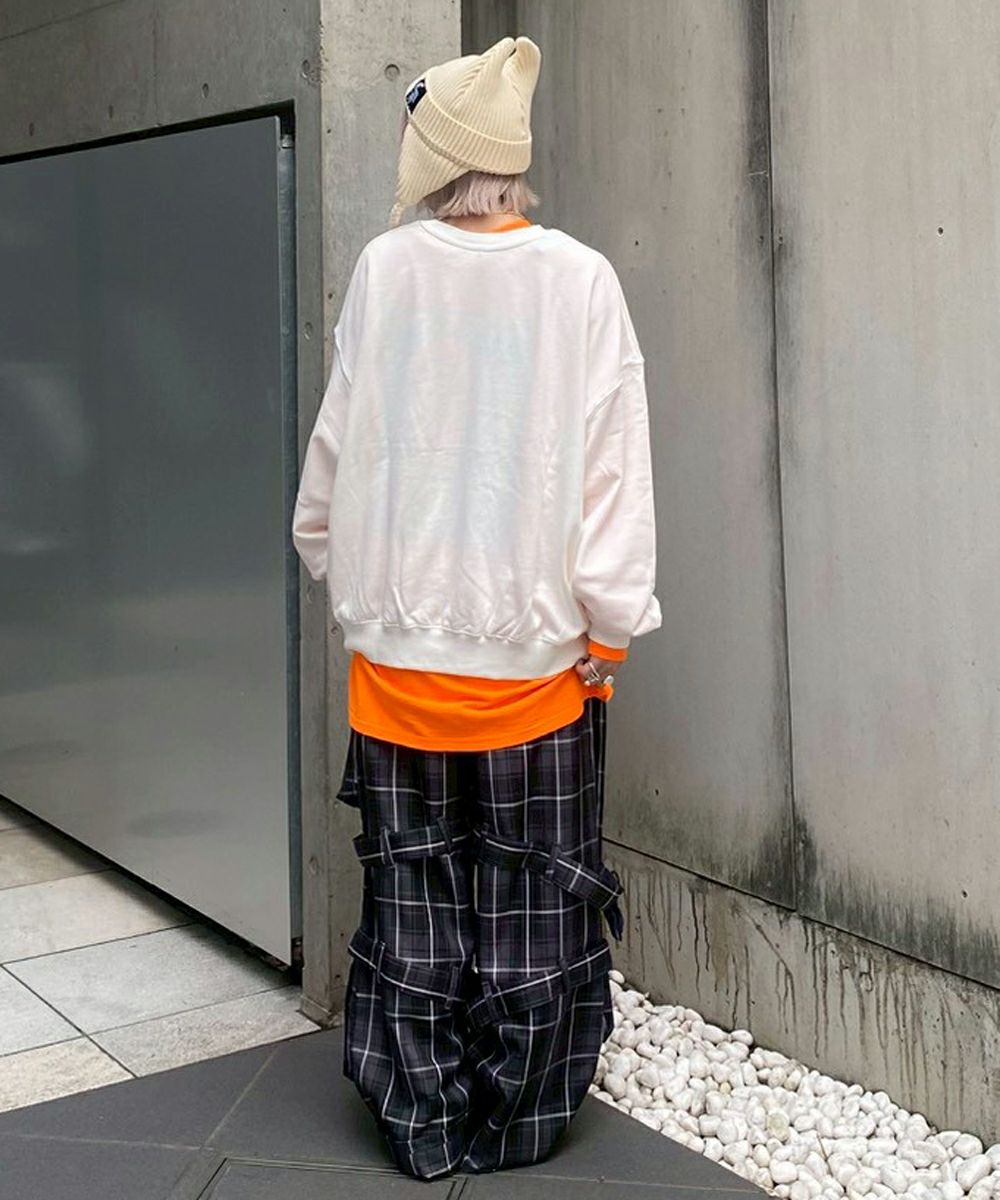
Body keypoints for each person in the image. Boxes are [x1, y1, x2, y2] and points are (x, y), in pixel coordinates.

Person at [291, 33, 661, 1181]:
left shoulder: (386, 272)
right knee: (532, 903)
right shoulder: (578, 280)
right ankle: (522, 1121)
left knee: (412, 896)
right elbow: (613, 466)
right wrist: (608, 627)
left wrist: (347, 580)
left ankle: (421, 1122)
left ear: (433, 157)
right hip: (536, 675)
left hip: (396, 669)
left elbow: (337, 453)